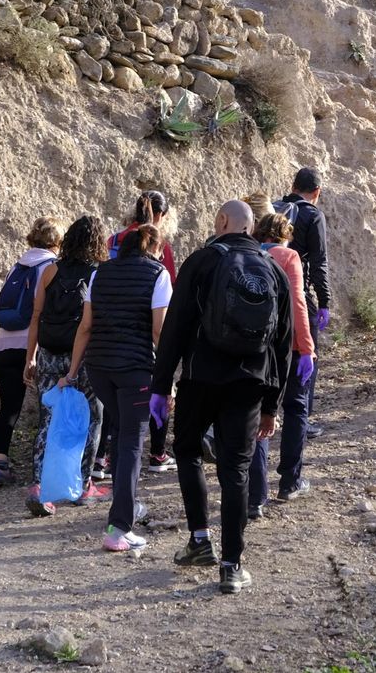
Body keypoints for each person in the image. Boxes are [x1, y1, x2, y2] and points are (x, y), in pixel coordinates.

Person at [155, 200, 293, 594]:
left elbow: (175, 328)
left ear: (221, 222)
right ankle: (232, 566)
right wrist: (272, 405)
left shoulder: (201, 262)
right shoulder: (273, 270)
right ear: (251, 229)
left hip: (200, 378)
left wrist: (161, 385)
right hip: (250, 383)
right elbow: (284, 344)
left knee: (187, 452)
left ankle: (200, 540)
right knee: (235, 469)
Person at [65, 224, 171, 552]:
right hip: (135, 370)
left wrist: (71, 372)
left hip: (99, 368)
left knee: (120, 435)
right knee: (130, 443)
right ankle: (119, 527)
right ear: (153, 246)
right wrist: (169, 380)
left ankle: (126, 505)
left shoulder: (101, 273)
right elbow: (159, 332)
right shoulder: (159, 274)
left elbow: (85, 327)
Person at [22, 216, 109, 517]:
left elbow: (35, 316)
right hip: (83, 355)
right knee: (92, 417)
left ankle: (37, 486)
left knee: (49, 417)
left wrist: (30, 356)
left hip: (48, 353)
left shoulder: (49, 271)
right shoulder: (99, 273)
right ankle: (82, 486)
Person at [247, 210, 317, 519]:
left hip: (254, 348)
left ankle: (256, 498)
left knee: (259, 415)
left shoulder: (247, 255)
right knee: (296, 407)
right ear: (284, 234)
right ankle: (289, 480)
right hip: (286, 347)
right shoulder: (288, 257)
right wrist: (307, 347)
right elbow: (298, 304)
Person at [106, 191, 178, 473]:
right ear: (160, 216)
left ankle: (105, 458)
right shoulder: (160, 245)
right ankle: (157, 453)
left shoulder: (113, 239)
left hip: (112, 331)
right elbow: (170, 287)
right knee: (159, 388)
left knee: (115, 399)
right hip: (147, 332)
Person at [0, 218, 61, 487]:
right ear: (57, 242)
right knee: (49, 406)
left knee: (8, 407)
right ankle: (45, 467)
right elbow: (43, 312)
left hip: (4, 344)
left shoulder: (16, 266)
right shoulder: (50, 268)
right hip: (33, 346)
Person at [276, 168, 331, 439]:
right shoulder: (313, 215)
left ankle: (266, 414)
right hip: (298, 292)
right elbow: (319, 262)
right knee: (307, 354)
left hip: (267, 292)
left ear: (293, 185)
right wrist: (324, 302)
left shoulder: (274, 208)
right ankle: (301, 418)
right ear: (316, 193)